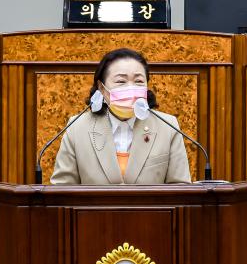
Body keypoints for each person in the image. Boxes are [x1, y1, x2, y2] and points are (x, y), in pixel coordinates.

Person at [50, 48, 191, 184]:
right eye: (121, 81)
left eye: (138, 81)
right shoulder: (77, 127)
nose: (131, 88)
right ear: (102, 88)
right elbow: (62, 189)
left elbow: (180, 188)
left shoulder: (168, 127)